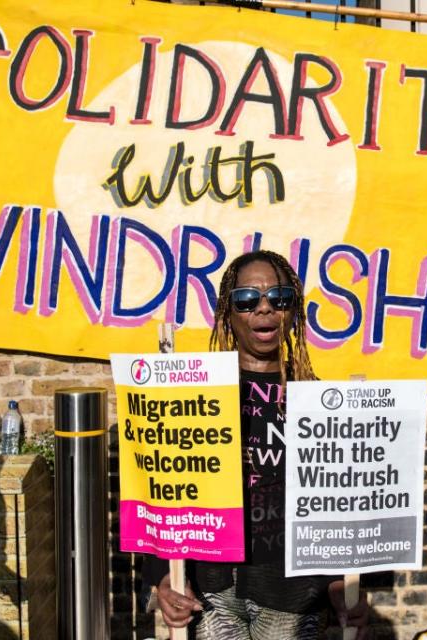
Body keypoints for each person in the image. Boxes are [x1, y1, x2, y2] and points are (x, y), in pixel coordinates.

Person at [144, 250, 368, 639]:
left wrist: (340, 584)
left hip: (294, 591)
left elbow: (338, 501)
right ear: (228, 315)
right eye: (247, 299)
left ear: (293, 311)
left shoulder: (318, 401)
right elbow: (164, 485)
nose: (264, 309)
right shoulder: (195, 396)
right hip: (211, 585)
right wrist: (163, 576)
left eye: (279, 298)